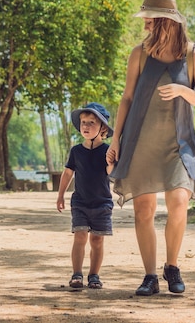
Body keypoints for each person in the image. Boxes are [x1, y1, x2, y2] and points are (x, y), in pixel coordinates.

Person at [106, 0, 195, 296]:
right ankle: (150, 276)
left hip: (179, 145)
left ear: (167, 21)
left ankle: (172, 266)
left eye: (149, 20)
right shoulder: (139, 53)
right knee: (143, 209)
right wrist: (115, 140)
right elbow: (126, 98)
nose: (145, 26)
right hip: (140, 142)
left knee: (179, 201)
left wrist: (182, 89)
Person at [56, 102, 115, 290]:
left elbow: (112, 173)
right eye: (83, 122)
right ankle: (77, 274)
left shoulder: (107, 151)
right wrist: (60, 196)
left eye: (91, 122)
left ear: (102, 128)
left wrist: (111, 162)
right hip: (80, 202)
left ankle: (94, 276)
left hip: (102, 203)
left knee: (97, 240)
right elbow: (67, 174)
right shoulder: (76, 151)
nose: (86, 126)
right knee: (80, 236)